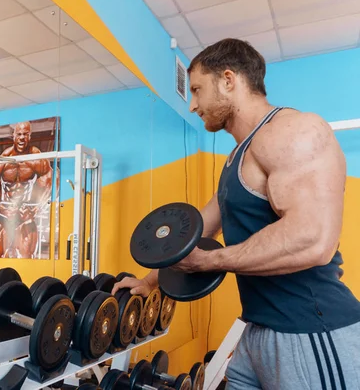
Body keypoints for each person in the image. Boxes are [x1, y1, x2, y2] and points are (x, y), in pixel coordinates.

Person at [113, 38, 360, 389]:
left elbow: (313, 239)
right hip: (257, 330)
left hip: (309, 329)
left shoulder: (292, 132)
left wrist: (211, 262)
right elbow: (196, 233)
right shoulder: (237, 158)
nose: (194, 104)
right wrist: (150, 281)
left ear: (229, 80)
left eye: (197, 89)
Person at [0, 121, 53, 259]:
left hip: (25, 214)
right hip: (4, 214)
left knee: (27, 256)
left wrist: (35, 210)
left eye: (25, 134)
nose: (22, 138)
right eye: (19, 134)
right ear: (13, 136)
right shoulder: (4, 159)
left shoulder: (37, 158)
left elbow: (50, 185)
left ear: (30, 136)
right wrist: (0, 208)